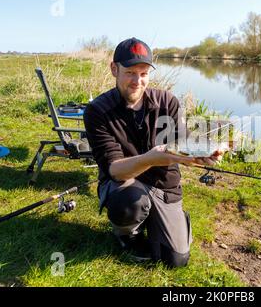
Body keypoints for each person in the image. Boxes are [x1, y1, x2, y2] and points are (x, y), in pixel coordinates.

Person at [83, 37, 222, 267]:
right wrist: (150, 159)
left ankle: (169, 221)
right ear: (114, 69)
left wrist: (201, 156)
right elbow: (115, 170)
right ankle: (127, 233)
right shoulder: (97, 111)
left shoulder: (167, 101)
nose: (138, 81)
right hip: (125, 184)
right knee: (128, 202)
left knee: (176, 260)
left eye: (144, 73)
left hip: (163, 186)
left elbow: (182, 143)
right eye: (130, 72)